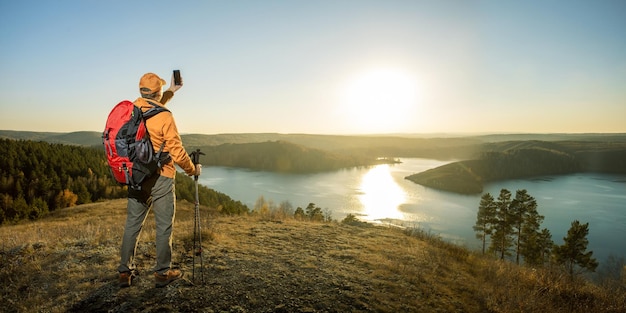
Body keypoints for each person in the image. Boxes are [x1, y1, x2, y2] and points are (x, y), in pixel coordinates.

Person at [118, 72, 201, 288]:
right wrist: (192, 170)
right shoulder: (165, 116)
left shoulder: (131, 110)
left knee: (132, 225)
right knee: (164, 226)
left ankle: (124, 272)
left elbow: (152, 108)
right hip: (161, 176)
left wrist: (172, 91)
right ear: (157, 92)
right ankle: (162, 273)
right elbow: (177, 151)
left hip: (135, 175)